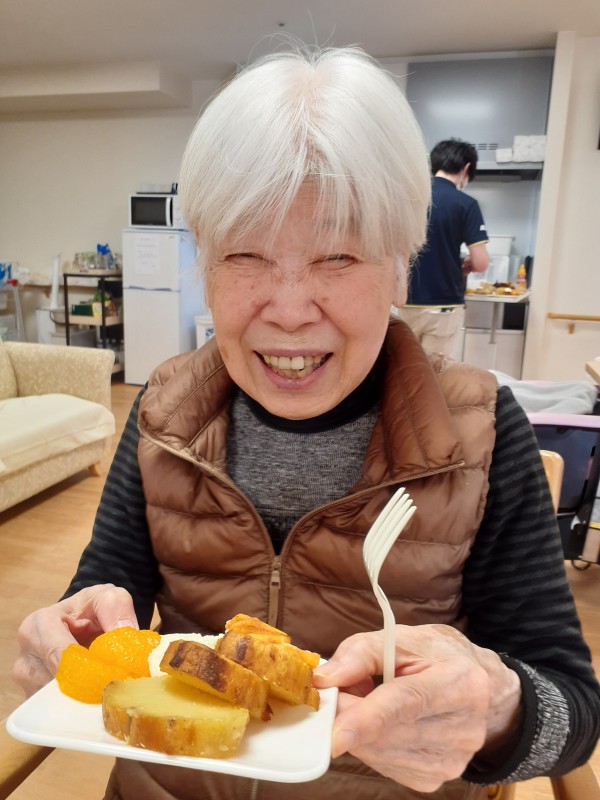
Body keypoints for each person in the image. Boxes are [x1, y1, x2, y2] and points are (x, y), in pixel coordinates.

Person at [12, 45, 599, 800]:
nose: (289, 310)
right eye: (245, 255)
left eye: (338, 258)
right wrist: (72, 634)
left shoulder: (482, 433)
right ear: (205, 265)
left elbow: (573, 711)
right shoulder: (163, 411)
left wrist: (497, 707)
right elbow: (103, 599)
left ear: (400, 266)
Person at [393, 137, 490, 357]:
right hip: (443, 304)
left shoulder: (410, 200)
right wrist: (469, 263)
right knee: (435, 370)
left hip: (404, 300)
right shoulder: (466, 204)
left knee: (402, 367)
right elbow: (481, 263)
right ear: (466, 168)